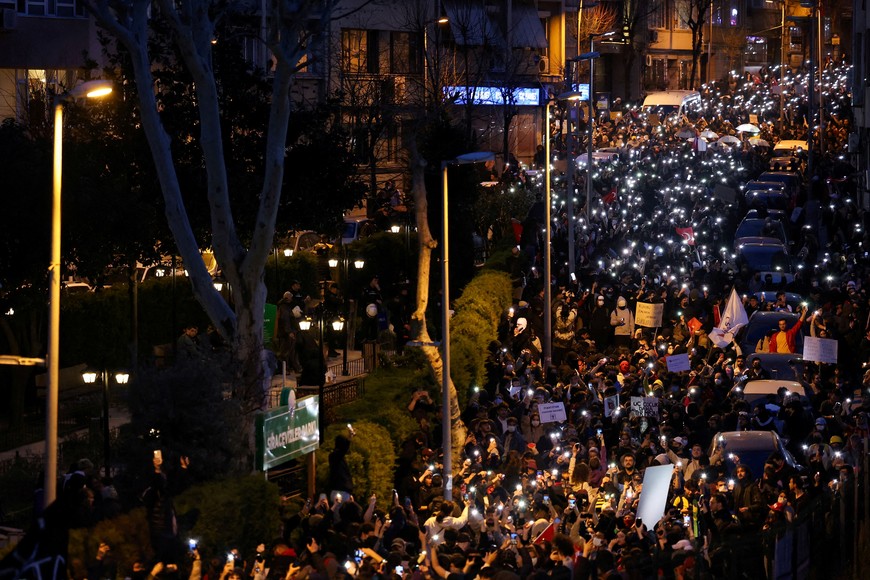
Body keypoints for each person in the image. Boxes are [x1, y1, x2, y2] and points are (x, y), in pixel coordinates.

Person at [328, 425, 355, 502]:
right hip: (341, 492)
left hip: (337, 491)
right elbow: (344, 449)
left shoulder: (334, 456)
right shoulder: (336, 455)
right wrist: (350, 437)